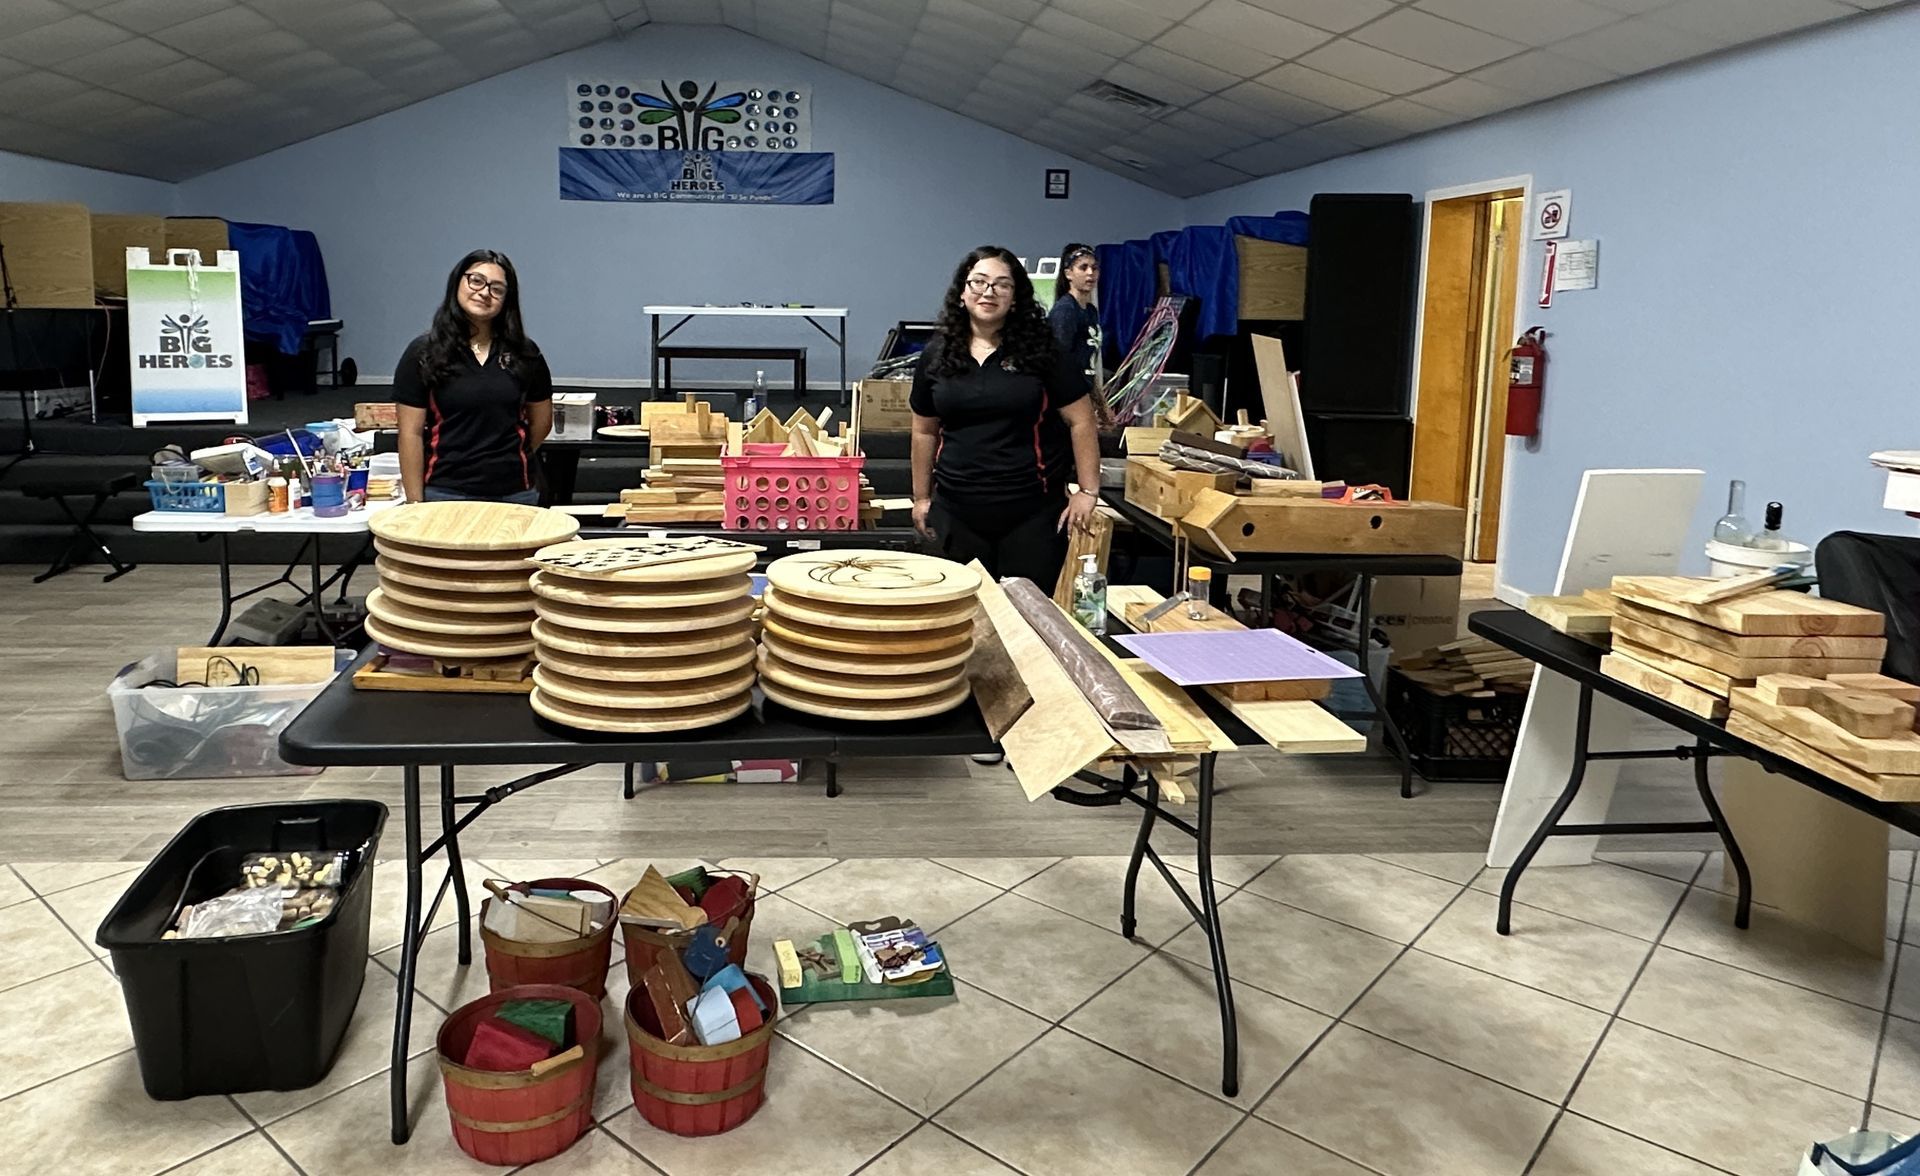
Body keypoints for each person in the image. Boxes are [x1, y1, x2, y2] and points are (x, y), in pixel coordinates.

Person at [910, 244, 1102, 588]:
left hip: (1031, 513)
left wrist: (1088, 491)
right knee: (962, 622)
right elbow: (924, 431)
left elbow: (1082, 420)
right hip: (956, 511)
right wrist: (922, 498)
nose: (989, 292)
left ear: (1015, 298)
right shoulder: (936, 355)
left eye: (1002, 284)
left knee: (1027, 622)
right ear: (962, 293)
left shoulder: (1043, 351)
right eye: (979, 282)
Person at [393, 249, 553, 504]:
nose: (484, 292)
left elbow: (542, 423)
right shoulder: (423, 353)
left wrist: (510, 456)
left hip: (515, 493)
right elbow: (409, 434)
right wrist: (415, 504)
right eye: (476, 280)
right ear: (458, 281)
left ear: (506, 300)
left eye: (497, 289)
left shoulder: (525, 354)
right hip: (445, 492)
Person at [1048, 242, 1103, 392]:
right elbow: (1059, 366)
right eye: (1083, 267)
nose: (1090, 273)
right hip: (1069, 396)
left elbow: (1090, 366)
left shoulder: (1091, 311)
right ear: (1068, 274)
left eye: (1094, 268)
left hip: (1086, 391)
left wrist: (1102, 406)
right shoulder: (1065, 311)